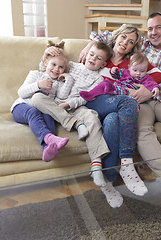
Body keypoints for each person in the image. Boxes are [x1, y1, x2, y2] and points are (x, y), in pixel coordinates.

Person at [79, 13, 161, 214]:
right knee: (139, 128)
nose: (154, 32)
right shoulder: (141, 47)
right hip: (139, 101)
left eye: (158, 28)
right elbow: (108, 37)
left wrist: (151, 89)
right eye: (150, 29)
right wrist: (90, 45)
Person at [32, 41, 112, 188]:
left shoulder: (98, 79)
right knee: (36, 98)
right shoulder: (73, 65)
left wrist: (68, 105)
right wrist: (46, 54)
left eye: (98, 58)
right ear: (86, 54)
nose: (93, 59)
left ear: (103, 64)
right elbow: (48, 69)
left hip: (75, 107)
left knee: (92, 117)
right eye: (91, 54)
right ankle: (74, 124)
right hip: (54, 103)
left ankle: (96, 166)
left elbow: (85, 98)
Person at [10, 52, 69, 163]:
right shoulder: (36, 74)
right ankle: (50, 138)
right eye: (53, 64)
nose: (56, 69)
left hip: (41, 110)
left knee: (48, 116)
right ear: (46, 62)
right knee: (33, 112)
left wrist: (68, 80)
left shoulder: (57, 84)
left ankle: (47, 148)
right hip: (21, 108)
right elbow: (21, 92)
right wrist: (38, 85)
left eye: (61, 67)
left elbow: (61, 98)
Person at [79, 52, 159, 101]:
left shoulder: (145, 78)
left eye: (142, 71)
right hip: (116, 87)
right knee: (104, 84)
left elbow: (151, 83)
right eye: (135, 70)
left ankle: (108, 92)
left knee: (118, 90)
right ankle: (90, 94)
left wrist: (155, 88)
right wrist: (114, 71)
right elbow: (117, 75)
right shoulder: (125, 72)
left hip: (128, 92)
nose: (138, 73)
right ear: (129, 67)